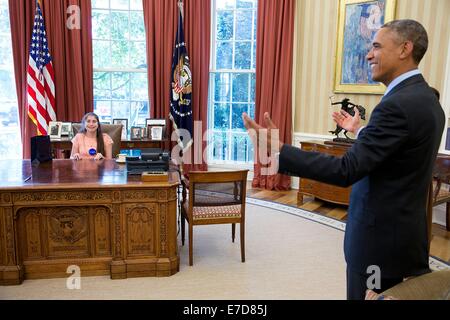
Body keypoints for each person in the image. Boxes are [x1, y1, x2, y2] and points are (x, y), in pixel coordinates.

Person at [242, 19, 445, 300]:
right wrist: (360, 130)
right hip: (402, 237)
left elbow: (345, 169)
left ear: (404, 49)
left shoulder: (398, 104)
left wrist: (280, 149)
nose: (369, 54)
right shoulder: (426, 100)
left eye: (376, 46)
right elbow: (397, 156)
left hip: (378, 247)